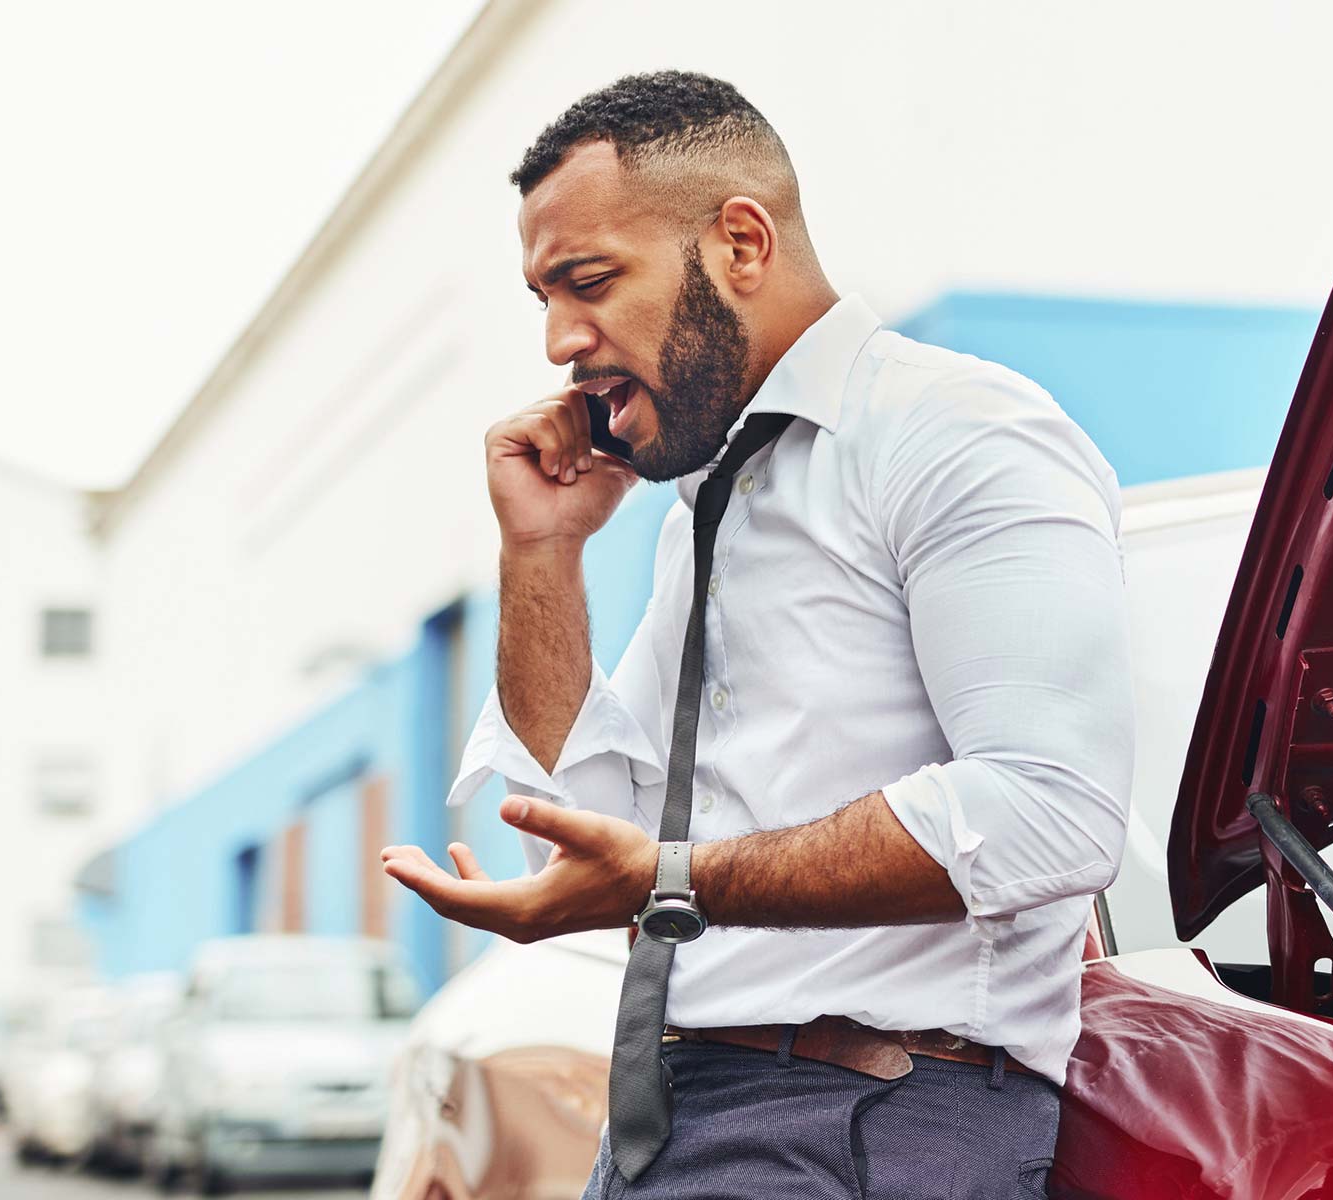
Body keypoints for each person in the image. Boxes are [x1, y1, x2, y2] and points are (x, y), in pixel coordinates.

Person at [379, 71, 1134, 1198]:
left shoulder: (955, 434)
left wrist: (673, 879)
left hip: (863, 1120)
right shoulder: (709, 506)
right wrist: (540, 554)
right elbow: (588, 838)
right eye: (541, 295)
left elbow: (1050, 811)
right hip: (689, 1115)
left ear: (740, 243)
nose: (556, 342)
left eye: (587, 283)